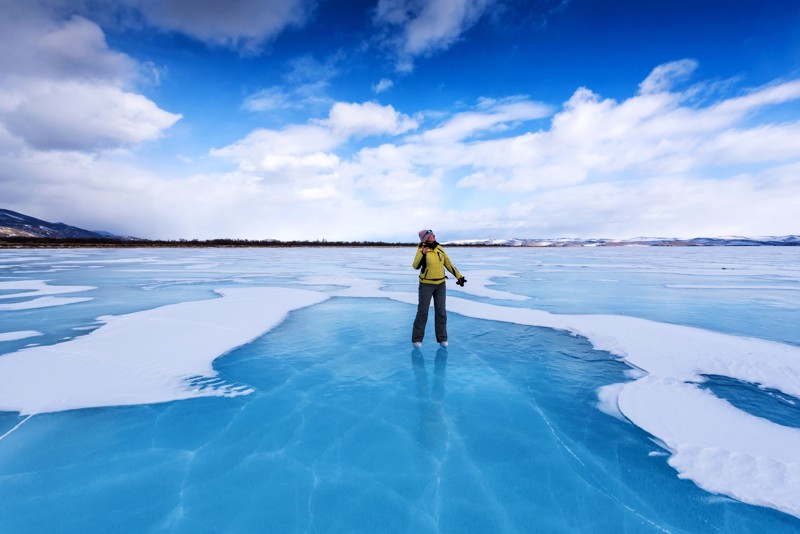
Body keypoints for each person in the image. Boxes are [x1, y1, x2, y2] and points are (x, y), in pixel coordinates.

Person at [411, 229, 466, 348]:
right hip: (426, 285)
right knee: (423, 312)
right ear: (426, 238)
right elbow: (415, 266)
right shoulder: (421, 249)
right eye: (431, 235)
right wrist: (423, 253)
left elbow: (448, 263)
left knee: (441, 312)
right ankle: (417, 339)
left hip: (440, 285)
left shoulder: (439, 248)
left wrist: (459, 277)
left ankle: (442, 338)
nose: (434, 236)